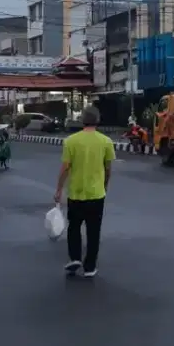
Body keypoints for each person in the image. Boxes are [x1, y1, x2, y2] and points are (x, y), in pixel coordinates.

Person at [54, 106, 115, 278]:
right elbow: (108, 168)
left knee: (74, 227)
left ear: (82, 121)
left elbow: (65, 168)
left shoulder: (71, 141)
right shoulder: (106, 141)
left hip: (76, 193)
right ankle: (90, 267)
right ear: (98, 121)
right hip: (96, 194)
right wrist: (105, 185)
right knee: (93, 231)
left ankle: (75, 258)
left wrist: (59, 189)